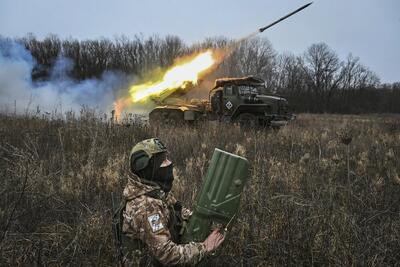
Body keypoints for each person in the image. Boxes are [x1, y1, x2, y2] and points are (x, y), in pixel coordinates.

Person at [114, 138, 225, 266]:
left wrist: (205, 224)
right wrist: (204, 247)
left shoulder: (156, 191)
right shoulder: (146, 208)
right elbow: (167, 254)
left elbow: (179, 210)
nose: (169, 163)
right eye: (163, 161)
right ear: (150, 169)